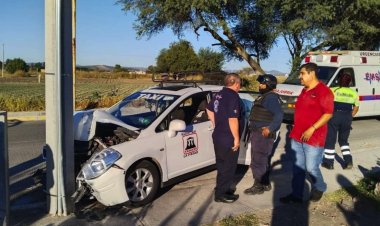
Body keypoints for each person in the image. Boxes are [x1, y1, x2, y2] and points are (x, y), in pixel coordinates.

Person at [280, 62, 334, 204]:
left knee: (311, 167)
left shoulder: (324, 91)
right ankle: (296, 196)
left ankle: (320, 186)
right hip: (297, 136)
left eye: (302, 73)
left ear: (312, 73)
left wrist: (312, 128)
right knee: (298, 168)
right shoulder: (304, 90)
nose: (300, 77)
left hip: (314, 138)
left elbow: (328, 114)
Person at [244, 74, 283, 195]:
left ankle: (258, 185)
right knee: (262, 158)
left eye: (262, 83)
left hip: (262, 134)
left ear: (268, 85)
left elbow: (279, 115)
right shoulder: (265, 97)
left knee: (258, 159)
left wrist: (270, 128)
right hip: (259, 133)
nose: (259, 85)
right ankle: (265, 183)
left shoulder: (270, 98)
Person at [206, 73, 243, 203]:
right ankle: (221, 194)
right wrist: (236, 138)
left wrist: (215, 123)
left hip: (218, 135)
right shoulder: (233, 97)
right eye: (239, 84)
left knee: (222, 165)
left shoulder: (218, 94)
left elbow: (209, 109)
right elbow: (233, 119)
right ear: (237, 84)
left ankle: (222, 188)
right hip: (228, 138)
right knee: (228, 166)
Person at [322, 73, 359, 170]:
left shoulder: (333, 90)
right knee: (343, 141)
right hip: (347, 117)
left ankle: (329, 163)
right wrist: (349, 117)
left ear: (338, 81)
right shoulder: (354, 93)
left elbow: (325, 103)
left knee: (330, 140)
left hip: (334, 116)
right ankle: (348, 161)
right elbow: (356, 108)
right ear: (350, 82)